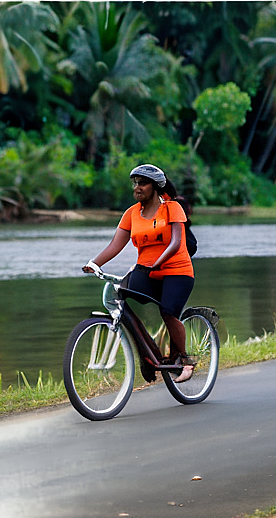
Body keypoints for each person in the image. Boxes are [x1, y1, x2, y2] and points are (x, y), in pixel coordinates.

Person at [82, 164, 195, 383]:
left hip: (177, 270)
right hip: (148, 270)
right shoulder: (131, 213)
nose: (137, 188)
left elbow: (175, 242)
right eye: (135, 183)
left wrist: (159, 262)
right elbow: (115, 245)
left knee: (168, 312)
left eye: (142, 183)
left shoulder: (172, 208)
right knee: (121, 295)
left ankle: (185, 360)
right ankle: (148, 354)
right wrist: (93, 263)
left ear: (155, 186)